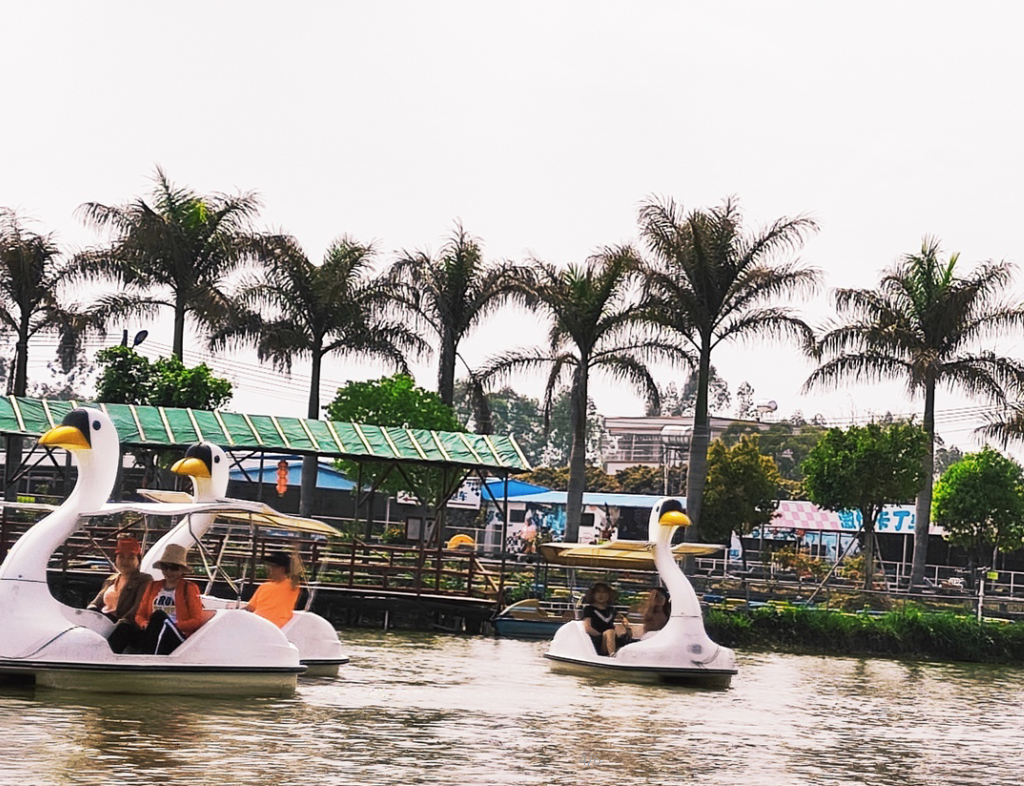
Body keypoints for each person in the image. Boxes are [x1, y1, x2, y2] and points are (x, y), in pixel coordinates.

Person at [109, 543, 206, 655]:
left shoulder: (189, 588)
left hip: (177, 636)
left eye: (173, 568)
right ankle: (104, 657)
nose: (168, 572)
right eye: (165, 567)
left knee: (158, 616)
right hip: (152, 632)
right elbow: (140, 614)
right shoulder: (153, 586)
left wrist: (173, 624)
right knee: (124, 627)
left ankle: (146, 658)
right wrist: (144, 623)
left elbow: (197, 620)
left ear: (181, 570)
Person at [87, 537, 152, 623]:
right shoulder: (110, 580)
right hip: (102, 620)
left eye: (131, 558)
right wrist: (90, 611)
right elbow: (95, 602)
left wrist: (120, 623)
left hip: (123, 626)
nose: (125, 561)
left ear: (138, 561)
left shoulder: (144, 580)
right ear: (116, 559)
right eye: (121, 557)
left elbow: (138, 607)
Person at [245, 551, 302, 628]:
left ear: (282, 569)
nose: (269, 569)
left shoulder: (291, 586)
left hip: (276, 628)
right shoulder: (264, 586)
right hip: (257, 624)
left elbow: (296, 575)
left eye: (273, 567)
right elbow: (250, 608)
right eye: (269, 566)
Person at [580, 581, 631, 656]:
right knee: (610, 632)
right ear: (593, 594)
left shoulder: (611, 610)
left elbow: (622, 620)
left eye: (604, 592)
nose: (601, 595)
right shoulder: (589, 609)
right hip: (597, 641)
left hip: (611, 639)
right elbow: (588, 628)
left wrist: (627, 629)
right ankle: (612, 656)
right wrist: (604, 636)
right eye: (598, 592)